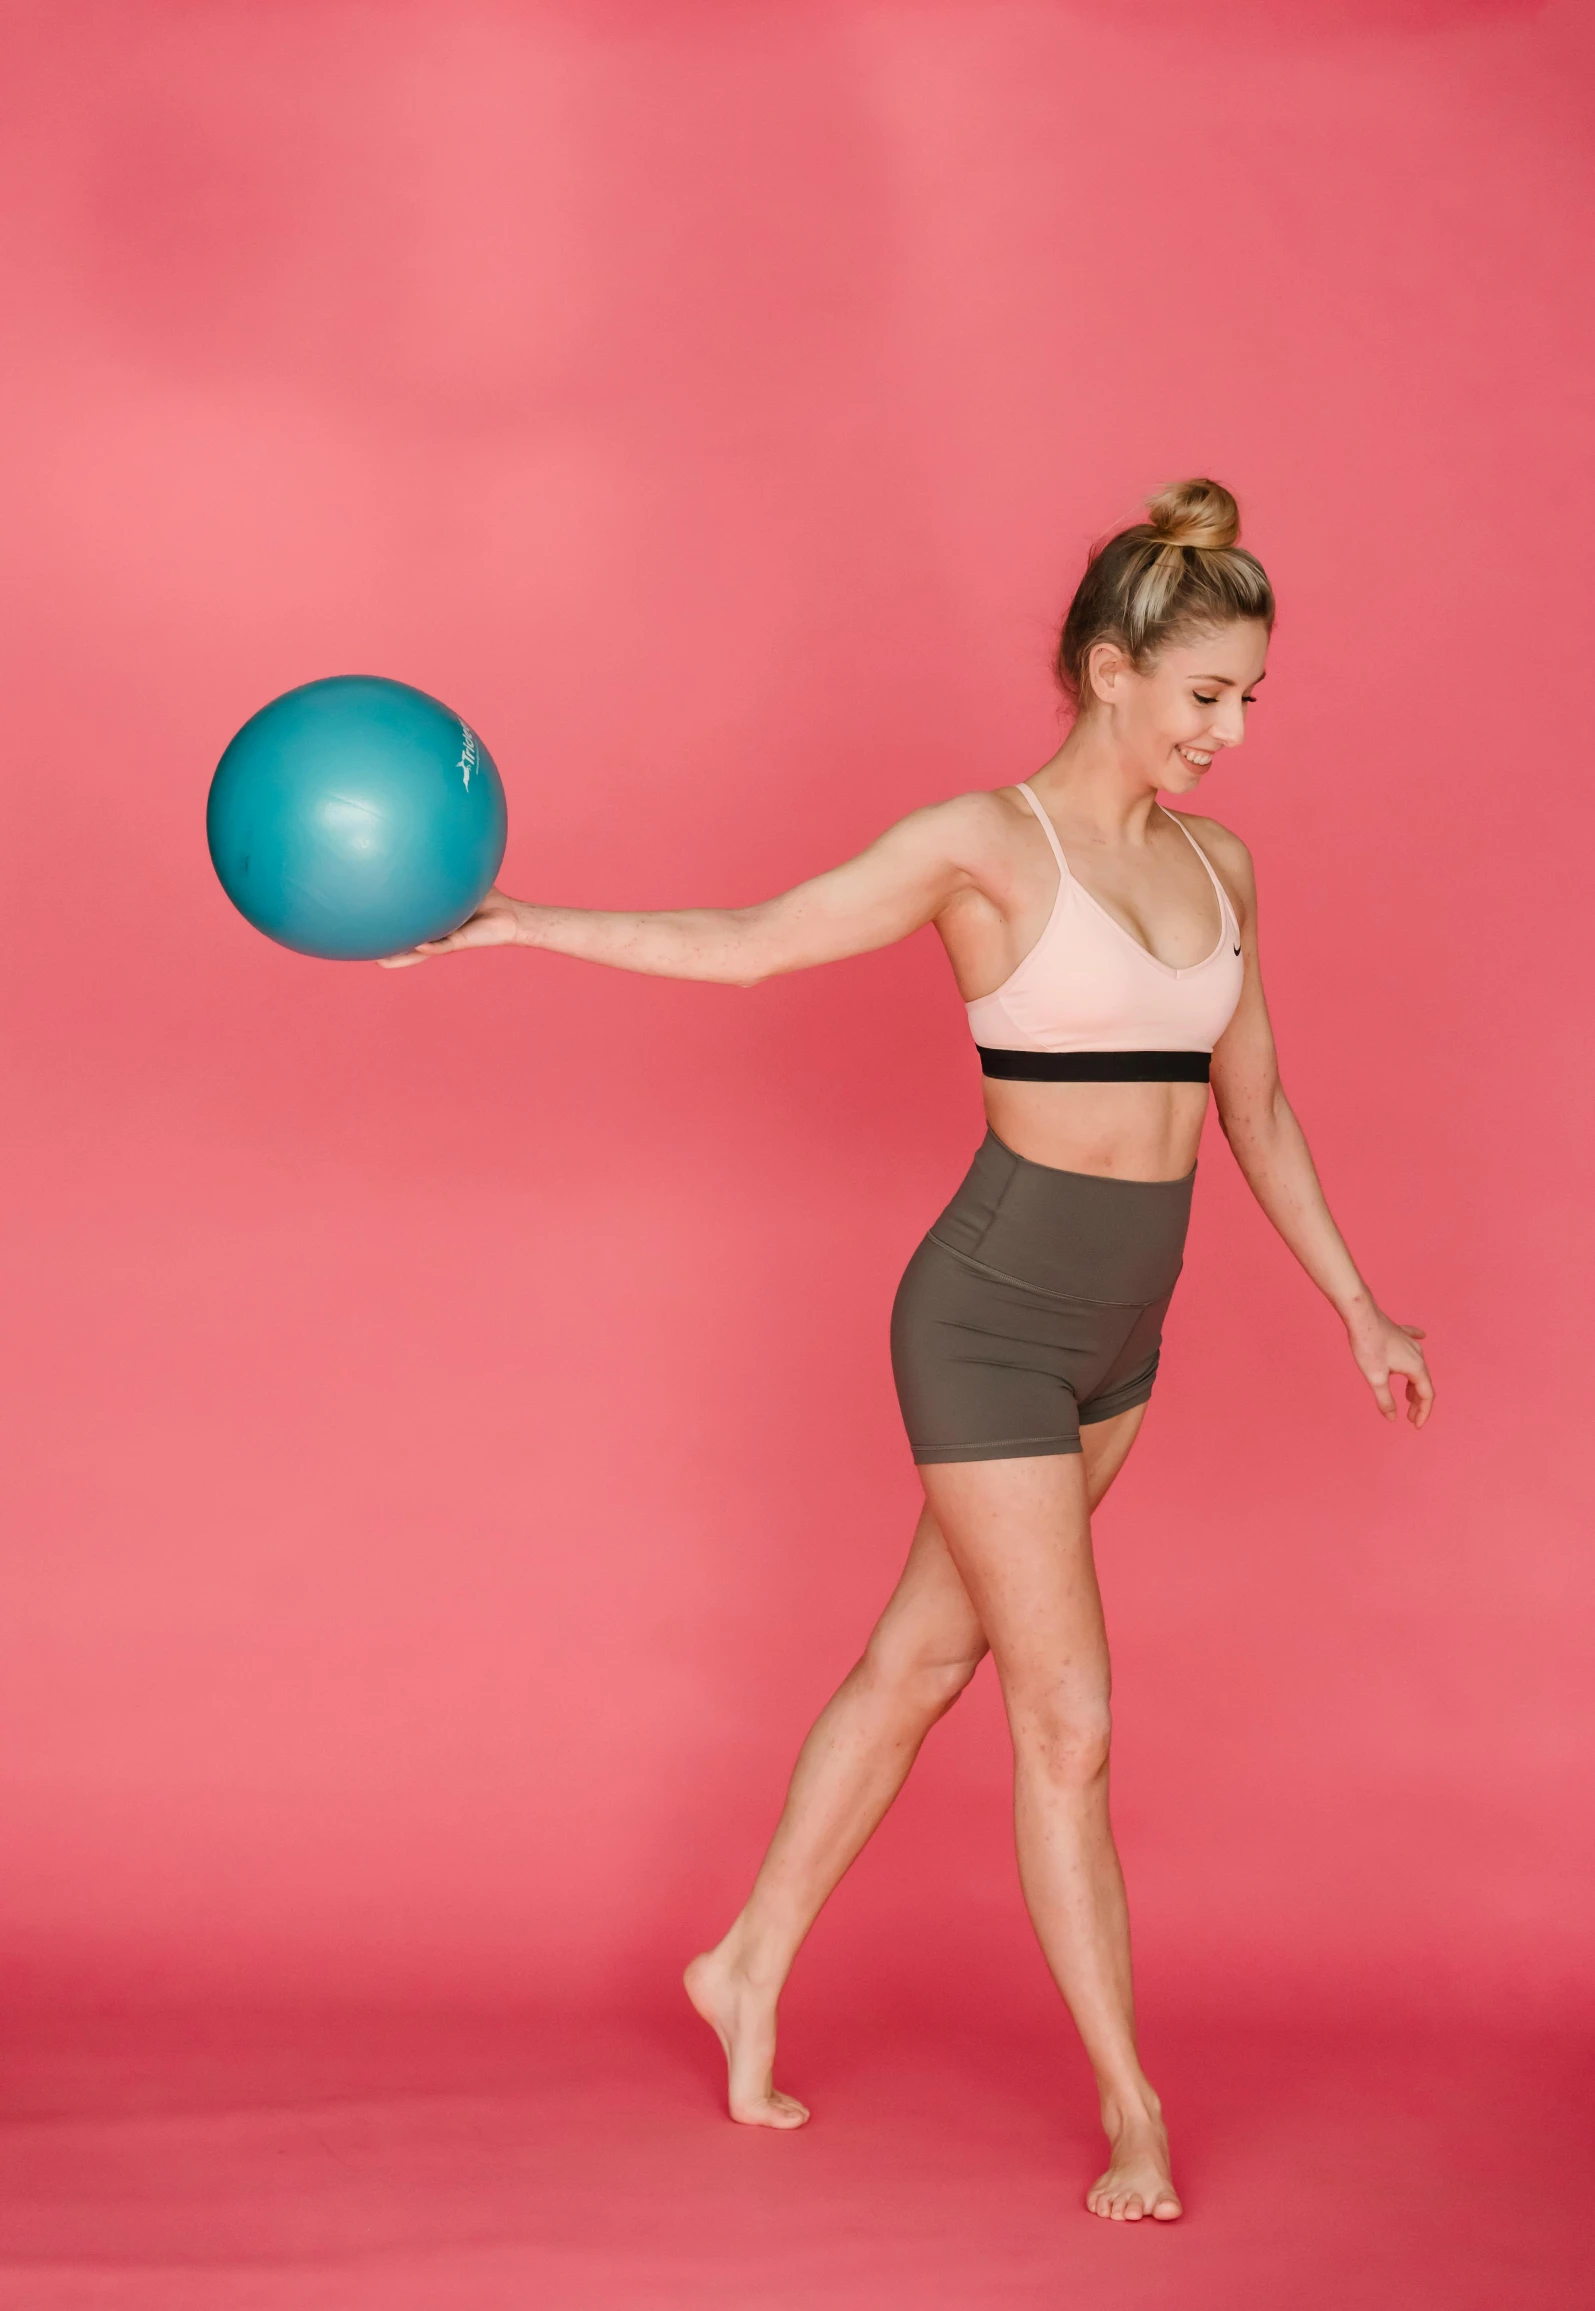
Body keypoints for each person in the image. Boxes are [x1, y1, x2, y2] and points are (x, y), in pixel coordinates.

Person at [380, 478, 1434, 2224]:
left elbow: (1255, 1108)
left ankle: (739, 1960)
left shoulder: (1220, 865)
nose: (1231, 731)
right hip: (988, 1322)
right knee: (1068, 1720)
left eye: (1249, 697)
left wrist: (1355, 1301)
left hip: (1123, 1335)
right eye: (1203, 695)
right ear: (1110, 670)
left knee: (915, 1665)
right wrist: (517, 922)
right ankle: (1133, 2110)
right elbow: (755, 946)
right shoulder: (979, 845)